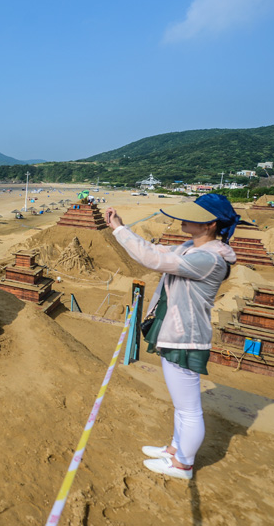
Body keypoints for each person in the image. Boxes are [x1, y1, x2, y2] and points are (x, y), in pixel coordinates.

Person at [104, 194, 239, 480]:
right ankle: (175, 449)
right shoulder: (192, 248)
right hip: (176, 332)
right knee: (181, 405)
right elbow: (157, 250)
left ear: (210, 225)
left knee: (188, 409)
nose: (183, 219)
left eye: (192, 216)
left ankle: (183, 466)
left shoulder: (208, 259)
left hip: (187, 337)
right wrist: (123, 227)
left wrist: (117, 230)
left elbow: (152, 259)